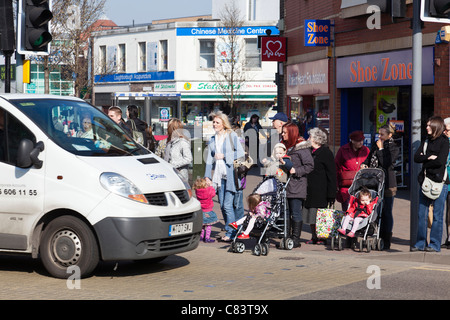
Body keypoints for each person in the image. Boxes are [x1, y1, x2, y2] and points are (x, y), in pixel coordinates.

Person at [205, 111, 245, 242]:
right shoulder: (212, 139)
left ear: (223, 124)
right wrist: (207, 176)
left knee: (228, 206)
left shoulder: (231, 135)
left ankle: (231, 232)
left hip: (230, 176)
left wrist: (224, 156)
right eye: (214, 122)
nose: (214, 124)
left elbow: (240, 153)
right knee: (222, 205)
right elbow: (210, 158)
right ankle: (235, 229)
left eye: (217, 122)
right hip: (218, 176)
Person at [412, 116, 450, 252]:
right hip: (425, 181)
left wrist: (425, 160)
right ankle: (420, 243)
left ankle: (434, 245)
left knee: (437, 216)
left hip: (440, 182)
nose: (426, 127)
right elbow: (416, 157)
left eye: (429, 125)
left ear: (436, 126)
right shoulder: (427, 140)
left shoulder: (445, 142)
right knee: (421, 214)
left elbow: (440, 161)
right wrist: (428, 157)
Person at [361, 123, 399, 249]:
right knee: (374, 209)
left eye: (382, 134)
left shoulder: (393, 147)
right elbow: (369, 157)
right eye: (378, 134)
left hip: (388, 183)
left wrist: (382, 149)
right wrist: (364, 164)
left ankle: (386, 238)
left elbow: (386, 163)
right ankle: (373, 233)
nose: (379, 136)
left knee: (386, 211)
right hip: (374, 181)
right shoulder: (376, 145)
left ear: (389, 135)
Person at [281, 122, 314, 248]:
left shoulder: (301, 147)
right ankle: (287, 236)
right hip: (285, 184)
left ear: (291, 132)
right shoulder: (285, 146)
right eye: (282, 132)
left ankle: (295, 239)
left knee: (295, 212)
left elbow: (310, 166)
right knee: (286, 212)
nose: (282, 134)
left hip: (297, 184)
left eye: (285, 132)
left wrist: (296, 171)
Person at [304, 127, 336, 244]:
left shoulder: (326, 153)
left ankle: (322, 237)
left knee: (320, 215)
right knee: (311, 214)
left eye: (310, 137)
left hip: (321, 190)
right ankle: (314, 237)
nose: (308, 139)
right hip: (309, 189)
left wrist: (332, 193)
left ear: (317, 139)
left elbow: (331, 174)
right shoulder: (308, 151)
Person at [335, 130, 370, 210]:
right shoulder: (343, 150)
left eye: (362, 140)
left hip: (362, 187)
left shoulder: (366, 150)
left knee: (361, 213)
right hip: (346, 188)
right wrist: (336, 184)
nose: (361, 142)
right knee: (347, 212)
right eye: (358, 141)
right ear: (352, 141)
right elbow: (336, 168)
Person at [193, 177, 219, 243]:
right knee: (208, 225)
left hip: (201, 210)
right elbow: (213, 193)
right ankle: (207, 238)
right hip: (208, 210)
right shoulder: (208, 190)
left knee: (202, 225)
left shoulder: (197, 191)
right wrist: (210, 186)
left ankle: (201, 237)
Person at [443, 117, 450, 249]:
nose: (445, 132)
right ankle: (448, 237)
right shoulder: (442, 142)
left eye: (447, 130)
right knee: (446, 212)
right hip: (443, 181)